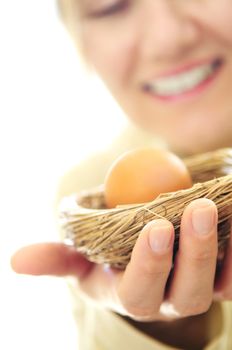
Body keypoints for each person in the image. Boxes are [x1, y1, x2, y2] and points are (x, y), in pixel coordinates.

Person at [11, 1, 232, 349]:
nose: (167, 39)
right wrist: (167, 329)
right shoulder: (99, 200)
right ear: (79, 42)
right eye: (108, 7)